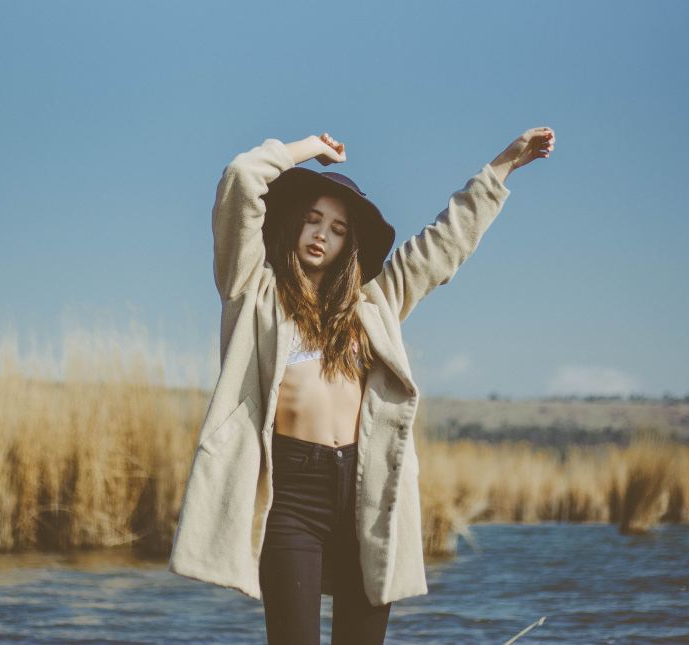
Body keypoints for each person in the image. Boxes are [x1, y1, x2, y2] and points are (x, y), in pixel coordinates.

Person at [168, 128, 555, 645]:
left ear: (350, 243)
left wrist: (502, 166)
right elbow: (241, 179)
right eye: (311, 220)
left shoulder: (376, 304)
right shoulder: (252, 291)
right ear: (292, 225)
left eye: (337, 228)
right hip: (291, 494)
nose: (320, 234)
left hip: (365, 490)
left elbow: (442, 246)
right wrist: (309, 150)